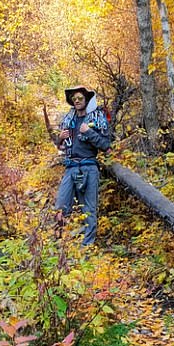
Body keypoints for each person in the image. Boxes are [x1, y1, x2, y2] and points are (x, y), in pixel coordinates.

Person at [54, 85, 110, 246]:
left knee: (89, 209)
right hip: (70, 167)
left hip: (89, 168)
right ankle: (59, 245)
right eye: (74, 99)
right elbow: (60, 147)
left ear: (86, 99)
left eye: (80, 98)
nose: (77, 101)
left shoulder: (97, 119)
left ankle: (87, 247)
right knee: (60, 207)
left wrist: (89, 132)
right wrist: (60, 138)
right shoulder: (68, 120)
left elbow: (106, 145)